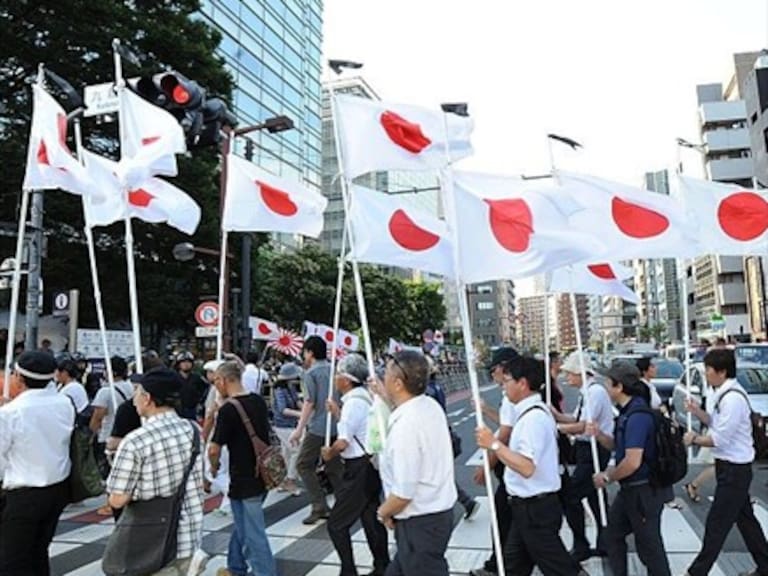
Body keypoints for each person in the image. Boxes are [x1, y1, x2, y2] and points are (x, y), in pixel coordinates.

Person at [476, 356, 586, 576]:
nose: (503, 386)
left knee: (559, 568)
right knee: (514, 567)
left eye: (507, 381)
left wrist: (494, 444)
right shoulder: (530, 413)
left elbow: (527, 467)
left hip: (535, 510)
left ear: (523, 383)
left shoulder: (532, 419)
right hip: (527, 507)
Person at [107, 367, 206, 575]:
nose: (134, 399)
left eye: (137, 392)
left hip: (148, 543)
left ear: (148, 398)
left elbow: (117, 499)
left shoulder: (136, 441)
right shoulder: (194, 430)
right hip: (187, 537)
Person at [682, 348, 768, 576]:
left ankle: (696, 572)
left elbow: (719, 439)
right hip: (729, 468)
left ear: (721, 372)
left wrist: (694, 439)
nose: (706, 374)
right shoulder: (722, 394)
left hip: (735, 469)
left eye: (708, 370)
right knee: (746, 523)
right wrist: (697, 411)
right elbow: (715, 423)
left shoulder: (732, 399)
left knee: (716, 525)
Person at [377, 350, 456, 576]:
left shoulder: (406, 427)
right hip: (434, 516)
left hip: (419, 522)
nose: (383, 377)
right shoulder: (429, 406)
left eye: (386, 373)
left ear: (399, 383)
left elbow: (403, 492)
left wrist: (383, 512)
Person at [588, 361, 671, 576]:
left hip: (643, 491)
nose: (605, 388)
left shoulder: (637, 416)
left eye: (608, 383)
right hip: (631, 491)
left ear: (619, 387)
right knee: (613, 535)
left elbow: (632, 461)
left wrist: (607, 478)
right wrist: (599, 435)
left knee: (650, 548)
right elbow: (620, 446)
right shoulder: (626, 412)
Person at [0, 351, 73, 574]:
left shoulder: (11, 412)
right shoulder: (64, 403)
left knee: (12, 560)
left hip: (24, 492)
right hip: (58, 488)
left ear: (19, 378)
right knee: (38, 551)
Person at [323, 354, 389, 576]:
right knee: (370, 518)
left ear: (347, 379)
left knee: (336, 524)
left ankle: (348, 571)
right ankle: (382, 565)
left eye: (338, 374)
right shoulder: (364, 398)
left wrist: (329, 452)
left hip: (358, 468)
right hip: (369, 465)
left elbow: (343, 443)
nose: (335, 379)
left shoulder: (352, 403)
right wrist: (337, 413)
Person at [209, 361, 277, 576]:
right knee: (243, 527)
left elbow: (213, 449)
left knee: (253, 534)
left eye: (215, 382)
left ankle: (264, 573)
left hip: (243, 477)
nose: (215, 386)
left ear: (223, 380)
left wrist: (213, 468)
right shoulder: (257, 400)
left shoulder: (228, 410)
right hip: (263, 473)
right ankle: (236, 567)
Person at [552, 350, 614, 562]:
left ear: (581, 373)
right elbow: (575, 418)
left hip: (594, 449)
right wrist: (556, 414)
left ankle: (582, 545)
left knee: (571, 496)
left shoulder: (594, 393)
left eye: (570, 373)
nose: (567, 377)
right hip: (588, 450)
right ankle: (606, 542)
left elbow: (583, 426)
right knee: (596, 498)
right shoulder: (587, 392)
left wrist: (556, 428)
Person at [470, 347, 519, 576]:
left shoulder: (511, 397)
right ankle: (498, 564)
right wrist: (485, 409)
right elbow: (506, 423)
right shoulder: (512, 395)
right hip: (513, 470)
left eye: (494, 369)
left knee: (504, 522)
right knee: (509, 523)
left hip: (511, 468)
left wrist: (486, 465)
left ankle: (496, 566)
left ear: (505, 367)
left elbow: (505, 433)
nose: (492, 375)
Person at [291, 335, 343, 524]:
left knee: (304, 464)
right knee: (334, 466)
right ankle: (344, 502)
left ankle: (319, 505)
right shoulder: (334, 369)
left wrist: (299, 429)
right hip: (335, 424)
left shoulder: (310, 373)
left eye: (304, 352)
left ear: (310, 352)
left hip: (318, 426)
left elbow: (309, 402)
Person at [425, 356, 479, 521]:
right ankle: (466, 502)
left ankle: (464, 502)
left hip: (434, 437)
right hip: (442, 433)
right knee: (438, 475)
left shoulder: (427, 391)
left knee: (435, 475)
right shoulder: (435, 387)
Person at [90, 356, 134, 515]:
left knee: (109, 472)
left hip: (108, 436)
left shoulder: (105, 391)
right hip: (129, 434)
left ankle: (111, 503)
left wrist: (91, 434)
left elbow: (98, 416)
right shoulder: (131, 387)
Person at [272, 362, 303, 496]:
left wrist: (306, 410)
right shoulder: (279, 390)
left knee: (287, 452)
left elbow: (297, 402)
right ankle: (290, 480)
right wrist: (301, 414)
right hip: (282, 424)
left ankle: (284, 479)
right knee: (296, 450)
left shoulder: (289, 387)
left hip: (291, 423)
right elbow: (282, 409)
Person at [174, 351, 209, 421]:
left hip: (193, 410)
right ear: (179, 364)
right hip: (177, 411)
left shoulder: (197, 378)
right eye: (183, 362)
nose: (186, 364)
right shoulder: (173, 378)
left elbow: (206, 390)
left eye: (188, 362)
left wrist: (201, 403)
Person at [55, 357, 89, 426]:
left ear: (64, 373)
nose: (56, 375)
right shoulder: (62, 385)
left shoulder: (73, 388)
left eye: (57, 372)